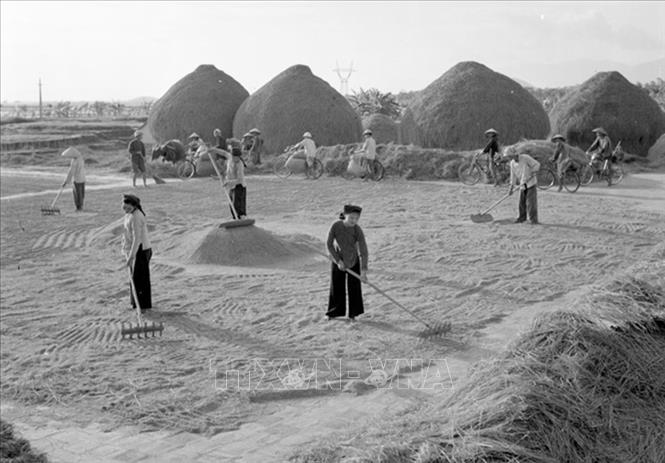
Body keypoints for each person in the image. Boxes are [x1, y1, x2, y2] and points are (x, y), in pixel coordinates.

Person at [326, 205, 369, 321]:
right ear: (345, 215)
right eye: (351, 218)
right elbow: (329, 244)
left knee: (354, 288)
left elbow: (364, 251)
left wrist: (363, 272)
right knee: (337, 287)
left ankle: (353, 314)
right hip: (338, 260)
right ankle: (334, 312)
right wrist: (338, 261)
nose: (354, 221)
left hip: (353, 261)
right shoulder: (336, 226)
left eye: (356, 218)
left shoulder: (357, 229)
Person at [121, 194, 152, 310]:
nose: (126, 210)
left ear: (134, 206)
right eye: (124, 207)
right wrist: (124, 247)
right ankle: (135, 303)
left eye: (128, 208)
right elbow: (126, 233)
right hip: (135, 248)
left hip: (142, 249)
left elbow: (137, 238)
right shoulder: (129, 215)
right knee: (134, 278)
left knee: (140, 279)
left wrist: (131, 257)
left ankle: (143, 306)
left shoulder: (137, 217)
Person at [505, 151, 541, 224]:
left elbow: (537, 164)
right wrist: (511, 189)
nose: (509, 158)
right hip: (522, 184)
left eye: (510, 156)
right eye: (508, 157)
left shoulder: (525, 158)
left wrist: (534, 171)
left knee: (531, 203)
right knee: (521, 203)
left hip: (531, 183)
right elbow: (513, 177)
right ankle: (522, 218)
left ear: (514, 154)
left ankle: (533, 220)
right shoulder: (512, 163)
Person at [224, 141, 247, 219]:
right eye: (235, 157)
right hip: (232, 186)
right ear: (232, 156)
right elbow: (223, 153)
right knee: (231, 204)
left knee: (237, 204)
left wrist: (228, 182)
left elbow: (239, 180)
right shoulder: (230, 158)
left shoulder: (240, 165)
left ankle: (241, 217)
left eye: (238, 157)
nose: (236, 159)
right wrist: (212, 150)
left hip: (240, 186)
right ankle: (235, 218)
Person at [61, 146, 86, 211]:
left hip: (77, 179)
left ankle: (79, 207)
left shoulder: (74, 161)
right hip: (83, 178)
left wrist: (66, 181)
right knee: (81, 193)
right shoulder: (81, 158)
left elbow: (71, 172)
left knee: (77, 194)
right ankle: (81, 206)